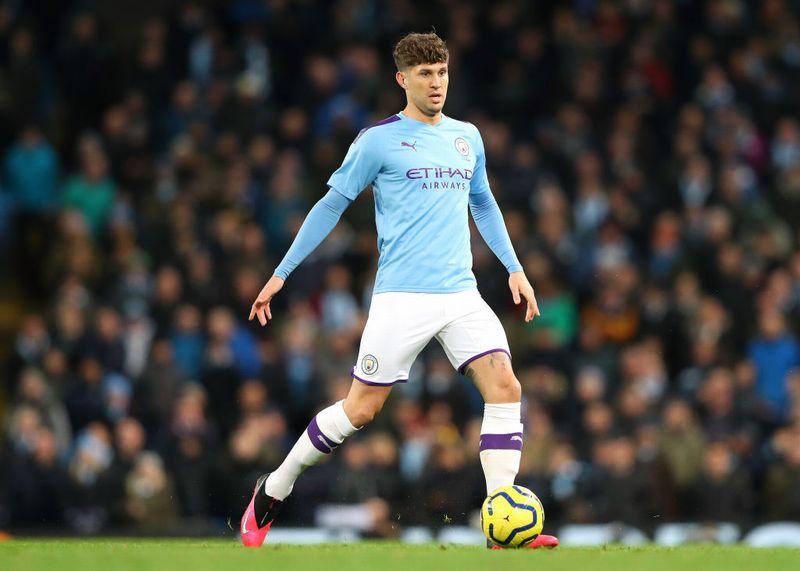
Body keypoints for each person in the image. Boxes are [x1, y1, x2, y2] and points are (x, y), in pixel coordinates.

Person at [240, 32, 558, 549]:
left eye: (442, 72)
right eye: (425, 74)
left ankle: (501, 523)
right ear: (402, 79)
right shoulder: (377, 141)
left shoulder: (467, 137)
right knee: (360, 410)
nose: (436, 83)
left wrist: (514, 268)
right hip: (401, 297)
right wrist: (281, 273)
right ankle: (274, 487)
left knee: (506, 386)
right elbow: (330, 205)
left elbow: (483, 203)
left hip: (460, 293)